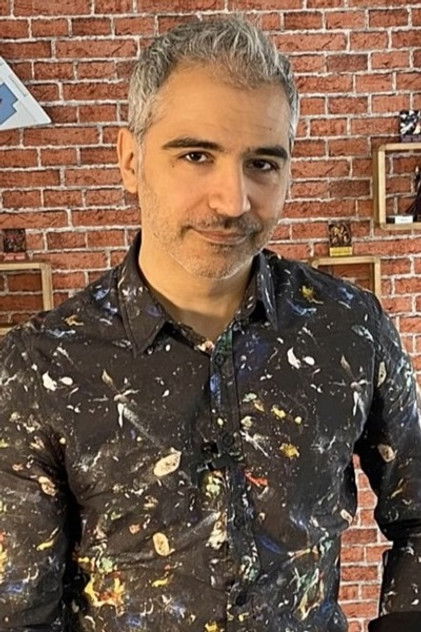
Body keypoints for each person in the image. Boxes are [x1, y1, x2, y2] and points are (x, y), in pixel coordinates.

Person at [0, 16, 420, 632]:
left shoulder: (351, 328)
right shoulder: (39, 365)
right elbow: (18, 606)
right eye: (196, 156)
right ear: (130, 160)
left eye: (262, 163)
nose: (232, 201)